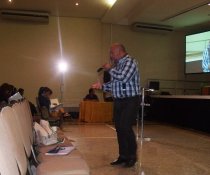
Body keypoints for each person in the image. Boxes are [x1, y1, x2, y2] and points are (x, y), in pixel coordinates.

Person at [92, 43, 140, 167]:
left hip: (130, 100)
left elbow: (124, 78)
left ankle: (132, 157)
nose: (111, 55)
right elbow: (115, 84)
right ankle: (123, 156)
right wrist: (101, 86)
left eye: (112, 53)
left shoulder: (131, 62)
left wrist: (109, 69)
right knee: (119, 129)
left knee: (125, 127)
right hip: (118, 101)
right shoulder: (118, 65)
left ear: (119, 52)